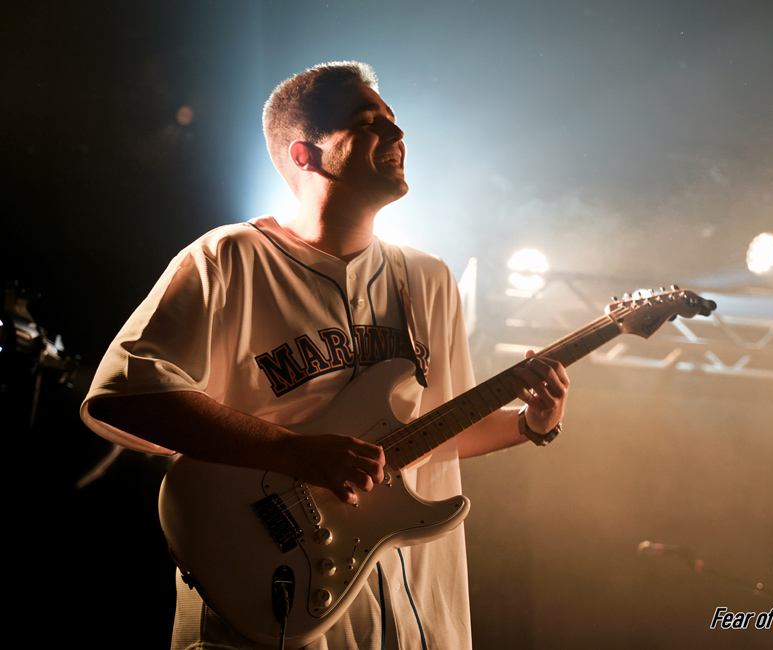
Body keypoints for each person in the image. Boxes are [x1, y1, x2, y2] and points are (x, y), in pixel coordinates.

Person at [81, 61, 569, 650]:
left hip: (413, 616)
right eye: (370, 122)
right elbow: (124, 395)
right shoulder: (229, 257)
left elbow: (434, 432)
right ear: (304, 154)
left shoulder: (430, 279)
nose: (397, 135)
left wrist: (530, 424)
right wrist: (296, 454)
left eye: (394, 121)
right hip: (263, 600)